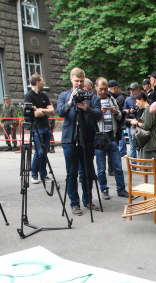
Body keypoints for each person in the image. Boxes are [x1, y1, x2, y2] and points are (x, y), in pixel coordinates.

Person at [58, 67, 100, 215]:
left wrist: (86, 108)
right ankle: (74, 203)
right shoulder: (64, 95)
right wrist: (70, 103)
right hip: (70, 140)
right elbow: (59, 113)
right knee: (71, 173)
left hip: (86, 140)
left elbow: (98, 114)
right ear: (71, 79)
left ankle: (87, 200)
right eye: (77, 81)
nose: (79, 84)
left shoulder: (91, 97)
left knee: (87, 172)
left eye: (81, 81)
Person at [93, 77, 127, 199]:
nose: (103, 91)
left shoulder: (111, 98)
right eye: (100, 88)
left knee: (117, 165)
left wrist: (115, 112)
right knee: (101, 167)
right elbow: (91, 117)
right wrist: (98, 113)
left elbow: (119, 116)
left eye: (105, 88)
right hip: (100, 137)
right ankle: (104, 189)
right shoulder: (93, 100)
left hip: (111, 136)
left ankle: (121, 188)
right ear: (95, 87)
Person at [23, 73, 55, 184]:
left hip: (46, 126)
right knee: (39, 151)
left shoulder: (44, 95)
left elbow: (52, 110)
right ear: (37, 82)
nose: (43, 83)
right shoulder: (29, 96)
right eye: (42, 81)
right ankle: (34, 174)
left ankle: (43, 174)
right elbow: (35, 114)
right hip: (37, 127)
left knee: (45, 151)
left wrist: (42, 110)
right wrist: (43, 111)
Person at [129, 90, 156, 171]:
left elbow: (147, 125)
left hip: (150, 140)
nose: (136, 104)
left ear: (142, 99)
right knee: (144, 164)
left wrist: (136, 122)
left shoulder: (148, 110)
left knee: (151, 166)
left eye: (137, 102)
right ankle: (145, 182)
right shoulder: (147, 109)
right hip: (148, 140)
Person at [108, 80, 127, 160]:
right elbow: (119, 115)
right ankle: (112, 170)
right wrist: (124, 112)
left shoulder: (113, 97)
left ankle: (112, 169)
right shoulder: (112, 98)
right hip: (113, 129)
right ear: (114, 87)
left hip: (112, 129)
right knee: (113, 153)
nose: (118, 90)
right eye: (117, 88)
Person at [124, 82, 140, 159]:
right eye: (131, 90)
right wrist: (129, 111)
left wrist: (136, 110)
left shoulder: (141, 98)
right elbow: (124, 110)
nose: (132, 91)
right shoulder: (128, 99)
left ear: (137, 89)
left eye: (133, 90)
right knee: (132, 146)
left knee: (140, 146)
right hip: (130, 124)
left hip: (139, 124)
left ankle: (141, 165)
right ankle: (133, 165)